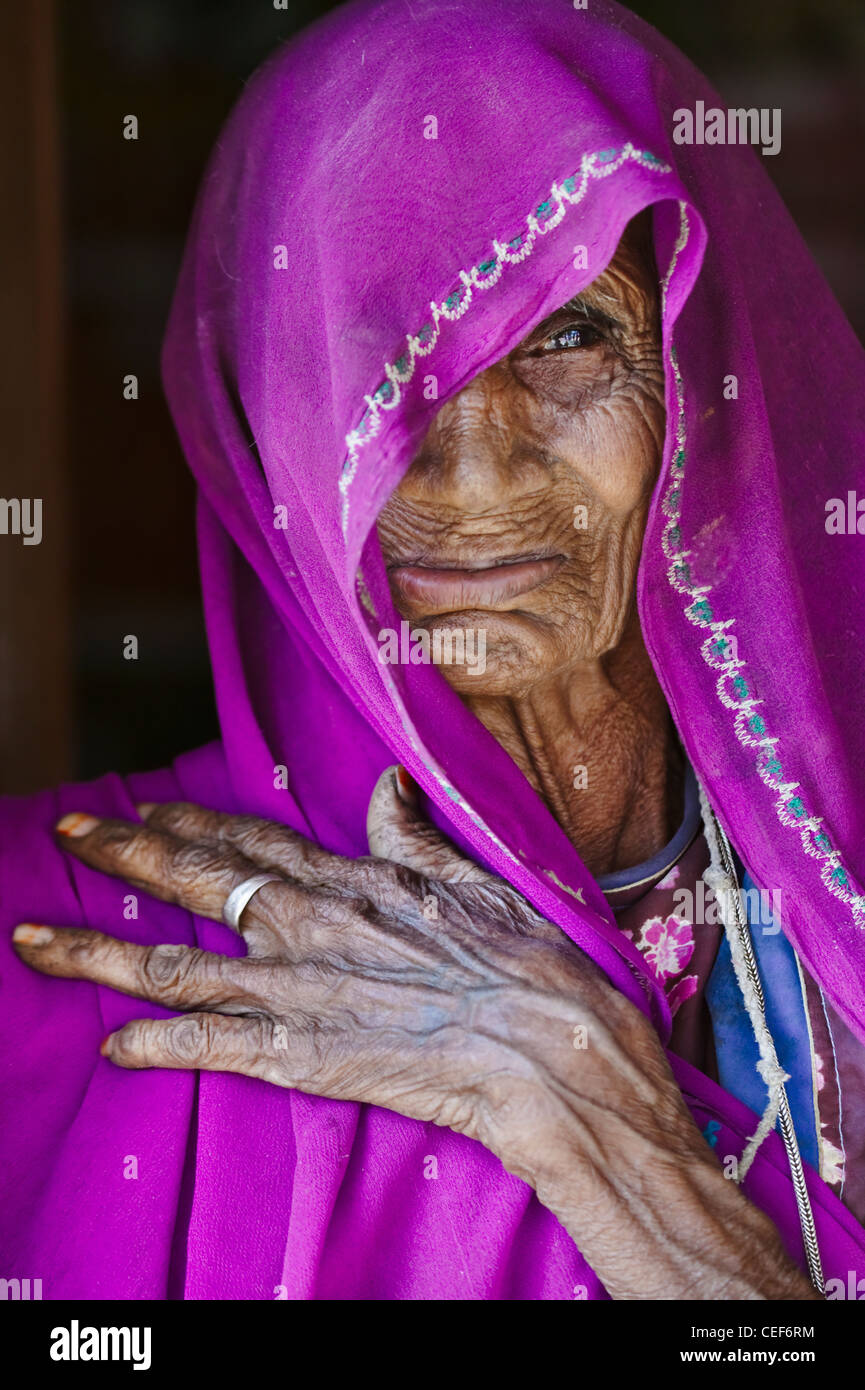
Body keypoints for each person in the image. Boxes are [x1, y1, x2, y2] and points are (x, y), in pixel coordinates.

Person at [3, 0, 865, 1300]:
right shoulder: (50, 941)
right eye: (373, 365)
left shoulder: (833, 920)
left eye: (572, 333)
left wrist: (582, 1097)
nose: (478, 469)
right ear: (260, 424)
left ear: (700, 372)